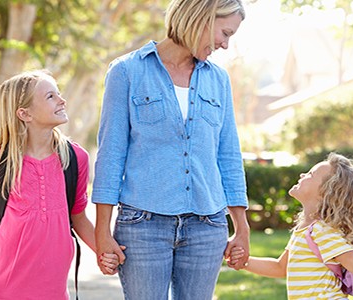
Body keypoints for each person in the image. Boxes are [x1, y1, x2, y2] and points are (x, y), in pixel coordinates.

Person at [91, 0, 250, 299]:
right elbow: (111, 155)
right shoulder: (126, 72)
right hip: (143, 226)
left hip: (207, 225)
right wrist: (102, 231)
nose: (225, 45)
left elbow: (228, 155)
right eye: (225, 33)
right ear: (201, 18)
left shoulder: (218, 80)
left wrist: (241, 225)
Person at [0, 70, 118, 300]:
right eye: (51, 96)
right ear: (24, 113)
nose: (62, 100)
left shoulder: (75, 158)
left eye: (58, 94)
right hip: (4, 287)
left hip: (54, 288)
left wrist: (103, 252)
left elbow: (78, 217)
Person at [228, 153, 353, 300]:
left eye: (310, 174)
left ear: (327, 192)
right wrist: (244, 262)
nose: (302, 175)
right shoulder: (305, 230)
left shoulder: (321, 231)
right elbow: (280, 267)